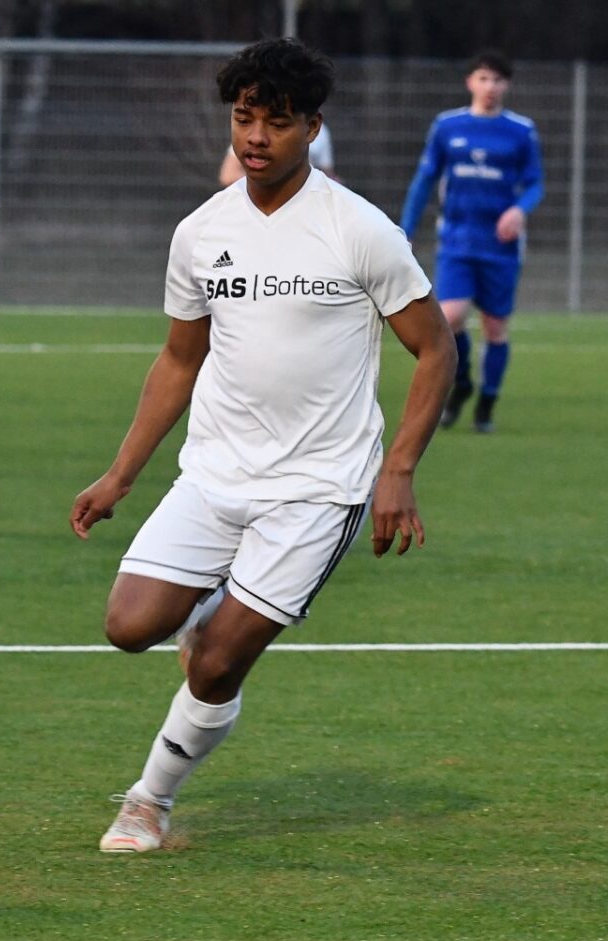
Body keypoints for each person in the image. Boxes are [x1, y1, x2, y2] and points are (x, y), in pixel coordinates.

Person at [70, 38, 456, 853]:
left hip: (320, 488)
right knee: (127, 627)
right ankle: (211, 614)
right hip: (215, 474)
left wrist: (400, 470)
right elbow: (179, 361)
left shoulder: (360, 230)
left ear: (312, 128)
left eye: (275, 123)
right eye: (244, 118)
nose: (254, 137)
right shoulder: (201, 233)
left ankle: (148, 801)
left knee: (213, 664)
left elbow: (436, 349)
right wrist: (119, 475)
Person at [399, 50, 543, 433]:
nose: (490, 87)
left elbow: (534, 183)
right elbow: (424, 180)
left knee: (495, 328)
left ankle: (487, 404)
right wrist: (406, 229)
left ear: (506, 85)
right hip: (458, 240)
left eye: (497, 80)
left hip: (501, 246)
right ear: (470, 82)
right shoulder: (448, 126)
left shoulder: (521, 130)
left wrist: (520, 210)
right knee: (450, 318)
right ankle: (461, 383)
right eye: (483, 78)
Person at [218, 119, 336, 186]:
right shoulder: (253, 135)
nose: (258, 139)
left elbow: (328, 175)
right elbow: (228, 175)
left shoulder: (322, 133)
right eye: (243, 120)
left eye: (280, 126)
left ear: (312, 128)